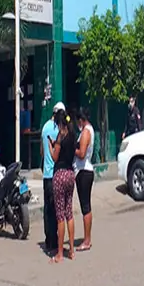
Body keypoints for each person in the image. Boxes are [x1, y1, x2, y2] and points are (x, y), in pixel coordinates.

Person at [49, 109, 77, 263]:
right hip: (70, 174)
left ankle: (60, 253)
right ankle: (71, 250)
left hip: (59, 175)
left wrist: (50, 146)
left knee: (60, 216)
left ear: (59, 123)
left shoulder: (60, 136)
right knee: (69, 213)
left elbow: (54, 157)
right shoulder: (72, 135)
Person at [41, 102, 63, 255]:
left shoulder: (44, 128)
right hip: (56, 174)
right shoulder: (59, 130)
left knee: (47, 210)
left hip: (46, 175)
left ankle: (49, 241)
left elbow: (42, 152)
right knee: (57, 210)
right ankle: (55, 243)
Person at [74, 107, 95, 252]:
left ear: (81, 120)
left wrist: (71, 149)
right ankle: (87, 239)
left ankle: (87, 240)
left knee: (85, 206)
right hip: (82, 171)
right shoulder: (87, 130)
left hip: (84, 171)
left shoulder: (86, 131)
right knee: (85, 206)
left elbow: (81, 153)